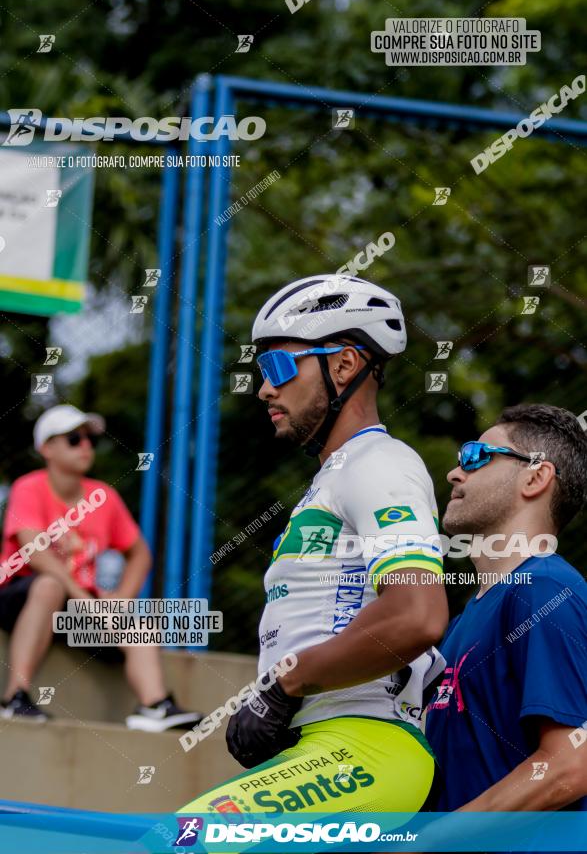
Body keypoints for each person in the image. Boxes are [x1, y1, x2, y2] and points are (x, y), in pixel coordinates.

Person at [176, 273, 448, 817]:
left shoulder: (380, 463)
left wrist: (283, 689)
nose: (263, 388)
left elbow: (417, 616)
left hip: (366, 746)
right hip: (326, 746)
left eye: (277, 366)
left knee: (185, 838)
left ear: (344, 365)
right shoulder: (334, 479)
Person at [0, 404, 202, 732]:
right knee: (50, 585)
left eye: (90, 440)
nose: (85, 447)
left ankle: (154, 706)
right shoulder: (29, 487)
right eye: (74, 439)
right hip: (22, 596)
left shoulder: (102, 496)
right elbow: (32, 549)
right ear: (46, 448)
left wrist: (120, 598)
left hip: (77, 608)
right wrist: (82, 596)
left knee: (140, 625)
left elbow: (140, 554)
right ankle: (14, 698)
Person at [426, 403, 587, 813]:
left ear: (535, 477)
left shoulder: (543, 589)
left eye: (477, 456)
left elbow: (569, 764)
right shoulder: (467, 618)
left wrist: (427, 843)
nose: (455, 472)